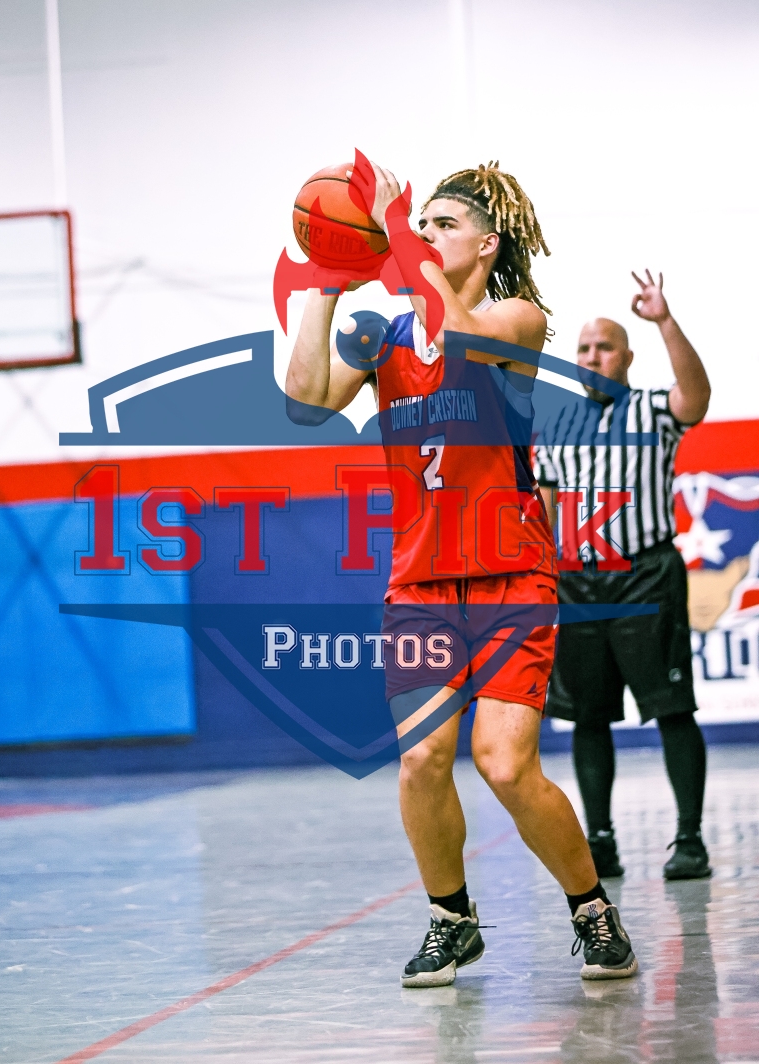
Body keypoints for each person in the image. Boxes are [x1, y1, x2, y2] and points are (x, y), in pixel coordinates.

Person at [286, 157, 638, 986]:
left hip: (512, 576)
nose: (422, 235)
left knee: (506, 765)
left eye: (443, 225)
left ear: (486, 244)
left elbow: (458, 335)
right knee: (421, 760)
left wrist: (393, 228)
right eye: (421, 225)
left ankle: (591, 909)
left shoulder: (518, 319)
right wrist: (328, 283)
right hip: (420, 582)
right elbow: (305, 401)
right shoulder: (384, 337)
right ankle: (452, 919)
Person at [534, 279, 711, 881]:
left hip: (646, 576)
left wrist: (665, 321)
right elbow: (545, 508)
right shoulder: (555, 424)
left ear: (626, 357)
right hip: (579, 583)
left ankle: (689, 838)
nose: (592, 358)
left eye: (604, 347)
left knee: (672, 707)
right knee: (587, 716)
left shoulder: (654, 409)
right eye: (583, 349)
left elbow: (697, 397)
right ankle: (601, 840)